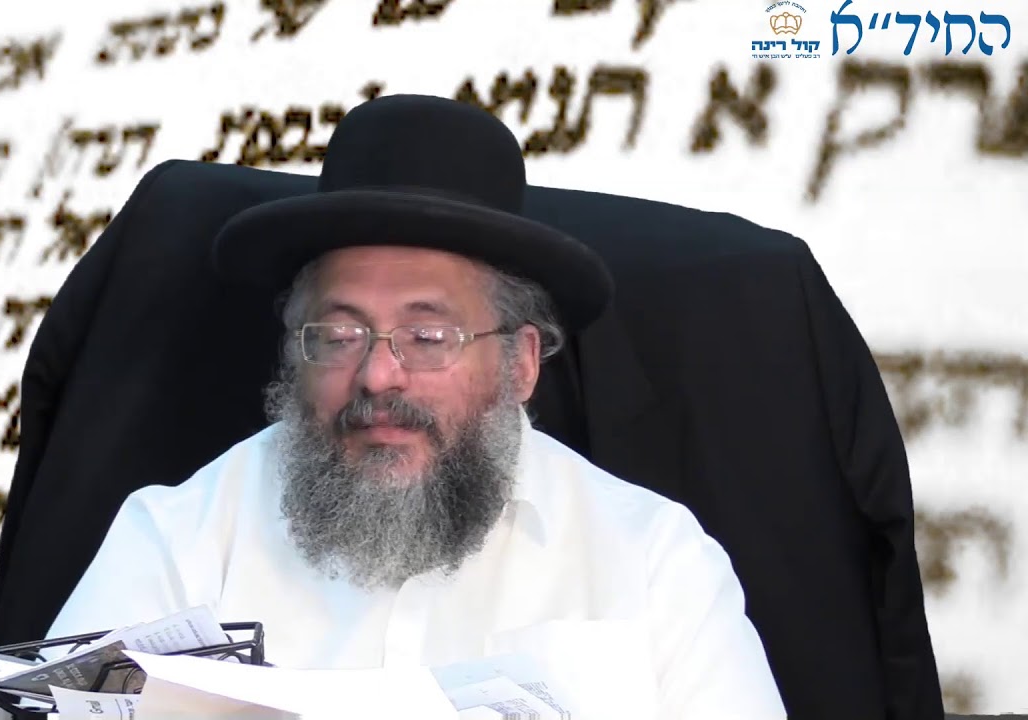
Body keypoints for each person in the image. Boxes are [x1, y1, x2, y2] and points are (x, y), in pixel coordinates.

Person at [46, 94, 787, 717]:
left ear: (521, 362)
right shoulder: (178, 537)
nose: (377, 376)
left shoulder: (655, 561)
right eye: (339, 335)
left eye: (429, 337)